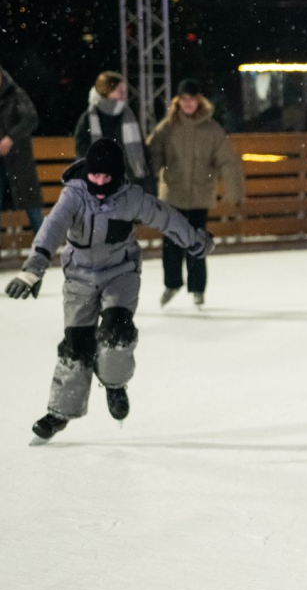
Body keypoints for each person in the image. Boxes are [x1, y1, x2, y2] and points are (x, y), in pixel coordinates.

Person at [4, 139, 214, 443]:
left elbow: (166, 217)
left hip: (121, 273)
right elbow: (52, 229)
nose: (99, 182)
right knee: (76, 345)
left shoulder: (132, 198)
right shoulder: (73, 196)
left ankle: (114, 384)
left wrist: (195, 240)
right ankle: (59, 413)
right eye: (94, 175)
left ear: (117, 176)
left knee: (117, 330)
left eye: (106, 177)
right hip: (79, 277)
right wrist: (33, 267)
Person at [147, 78, 244, 308]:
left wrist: (235, 191)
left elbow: (227, 161)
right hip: (173, 193)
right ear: (178, 101)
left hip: (200, 195)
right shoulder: (167, 127)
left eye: (192, 99)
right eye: (184, 100)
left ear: (199, 101)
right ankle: (172, 284)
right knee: (171, 244)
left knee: (197, 244)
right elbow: (153, 153)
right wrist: (146, 179)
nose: (188, 104)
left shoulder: (212, 129)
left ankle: (198, 289)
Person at [73, 71, 152, 189]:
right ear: (106, 90)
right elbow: (82, 150)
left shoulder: (128, 115)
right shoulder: (89, 118)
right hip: (101, 183)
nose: (123, 94)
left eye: (124, 91)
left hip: (128, 181)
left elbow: (141, 149)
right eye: (119, 90)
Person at [0, 63, 45, 235]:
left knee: (31, 205)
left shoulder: (16, 94)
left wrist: (10, 138)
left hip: (19, 159)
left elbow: (31, 118)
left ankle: (43, 246)